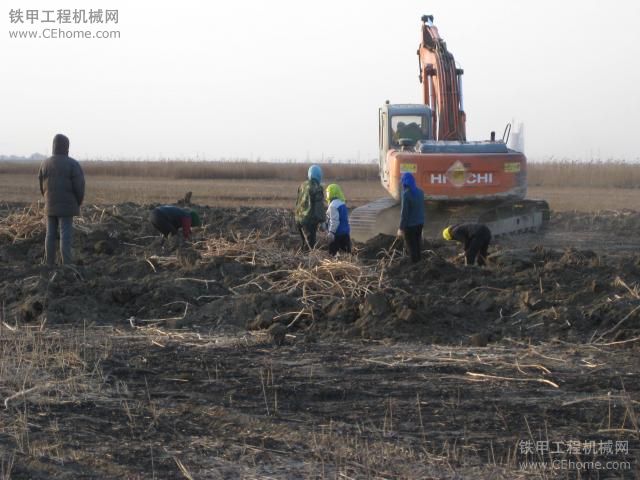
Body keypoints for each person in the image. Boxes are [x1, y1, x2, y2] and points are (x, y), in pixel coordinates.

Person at [38, 133, 85, 266]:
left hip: (50, 205)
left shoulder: (44, 164)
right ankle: (67, 265)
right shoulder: (73, 164)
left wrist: (47, 199)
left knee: (50, 235)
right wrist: (78, 202)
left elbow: (41, 186)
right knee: (65, 236)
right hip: (67, 207)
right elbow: (79, 187)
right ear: (67, 147)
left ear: (53, 146)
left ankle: (49, 263)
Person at [294, 165, 325, 250]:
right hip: (309, 221)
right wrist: (322, 221)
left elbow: (298, 202)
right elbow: (319, 206)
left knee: (304, 242)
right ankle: (307, 261)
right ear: (319, 175)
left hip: (298, 219)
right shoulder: (317, 187)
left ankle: (300, 258)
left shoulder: (302, 185)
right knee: (310, 245)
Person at [397, 172, 425, 263]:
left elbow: (404, 213)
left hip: (410, 226)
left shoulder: (406, 194)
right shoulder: (421, 192)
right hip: (420, 224)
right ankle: (420, 264)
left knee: (412, 248)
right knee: (417, 246)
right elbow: (421, 208)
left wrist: (401, 228)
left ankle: (415, 267)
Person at [325, 183, 351, 255]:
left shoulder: (333, 206)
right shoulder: (342, 203)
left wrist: (331, 232)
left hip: (337, 234)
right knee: (347, 255)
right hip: (346, 234)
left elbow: (335, 221)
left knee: (333, 255)